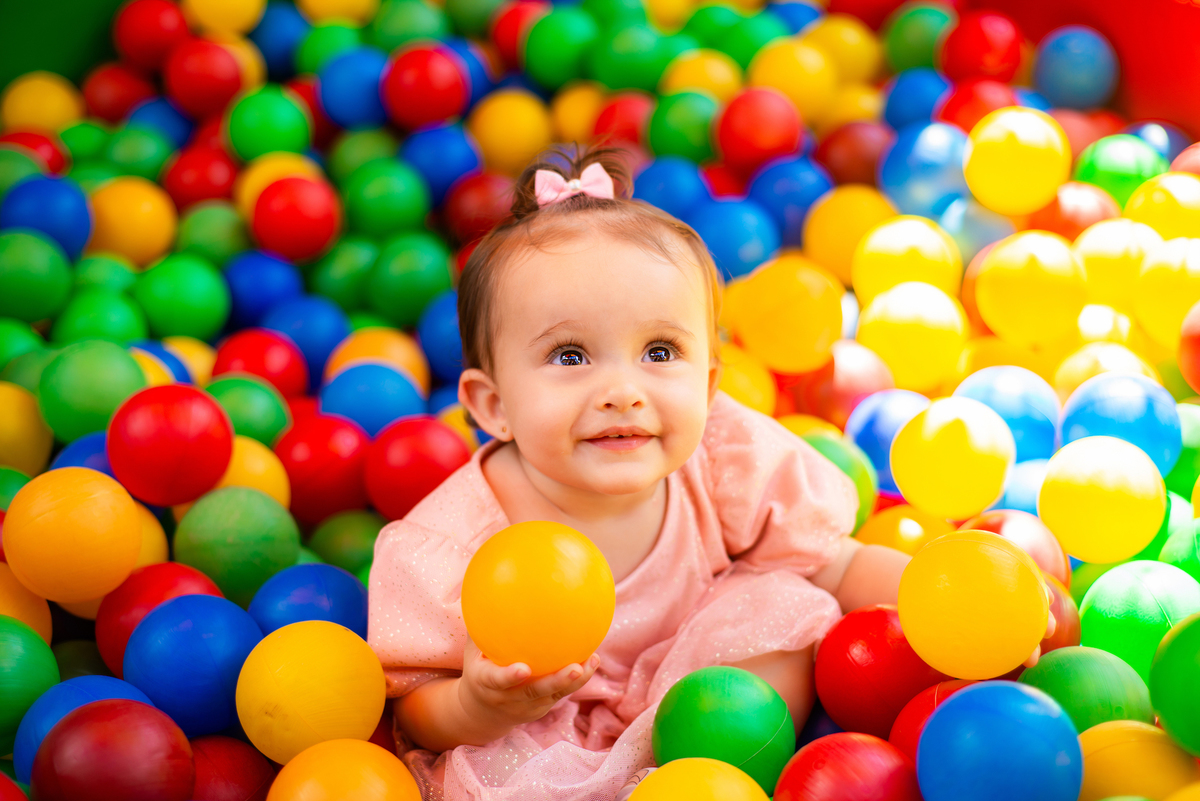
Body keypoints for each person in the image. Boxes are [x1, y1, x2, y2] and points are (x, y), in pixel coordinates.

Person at [367, 144, 1050, 800]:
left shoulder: (721, 459)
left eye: (659, 351)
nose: (623, 390)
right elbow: (410, 710)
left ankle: (712, 768)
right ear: (494, 405)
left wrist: (956, 604)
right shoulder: (452, 543)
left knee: (783, 605)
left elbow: (836, 567)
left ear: (711, 382)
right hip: (539, 740)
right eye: (571, 356)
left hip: (710, 696)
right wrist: (476, 704)